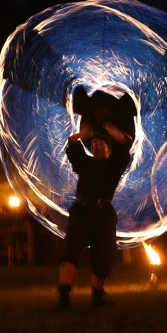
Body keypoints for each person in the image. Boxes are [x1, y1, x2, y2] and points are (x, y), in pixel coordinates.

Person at [58, 90, 134, 309]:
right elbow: (72, 142)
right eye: (94, 145)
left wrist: (108, 125)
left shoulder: (115, 167)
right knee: (70, 252)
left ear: (109, 151)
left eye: (102, 145)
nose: (97, 145)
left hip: (103, 215)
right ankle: (64, 296)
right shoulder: (84, 164)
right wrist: (87, 132)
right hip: (81, 212)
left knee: (103, 257)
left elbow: (124, 141)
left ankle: (98, 296)